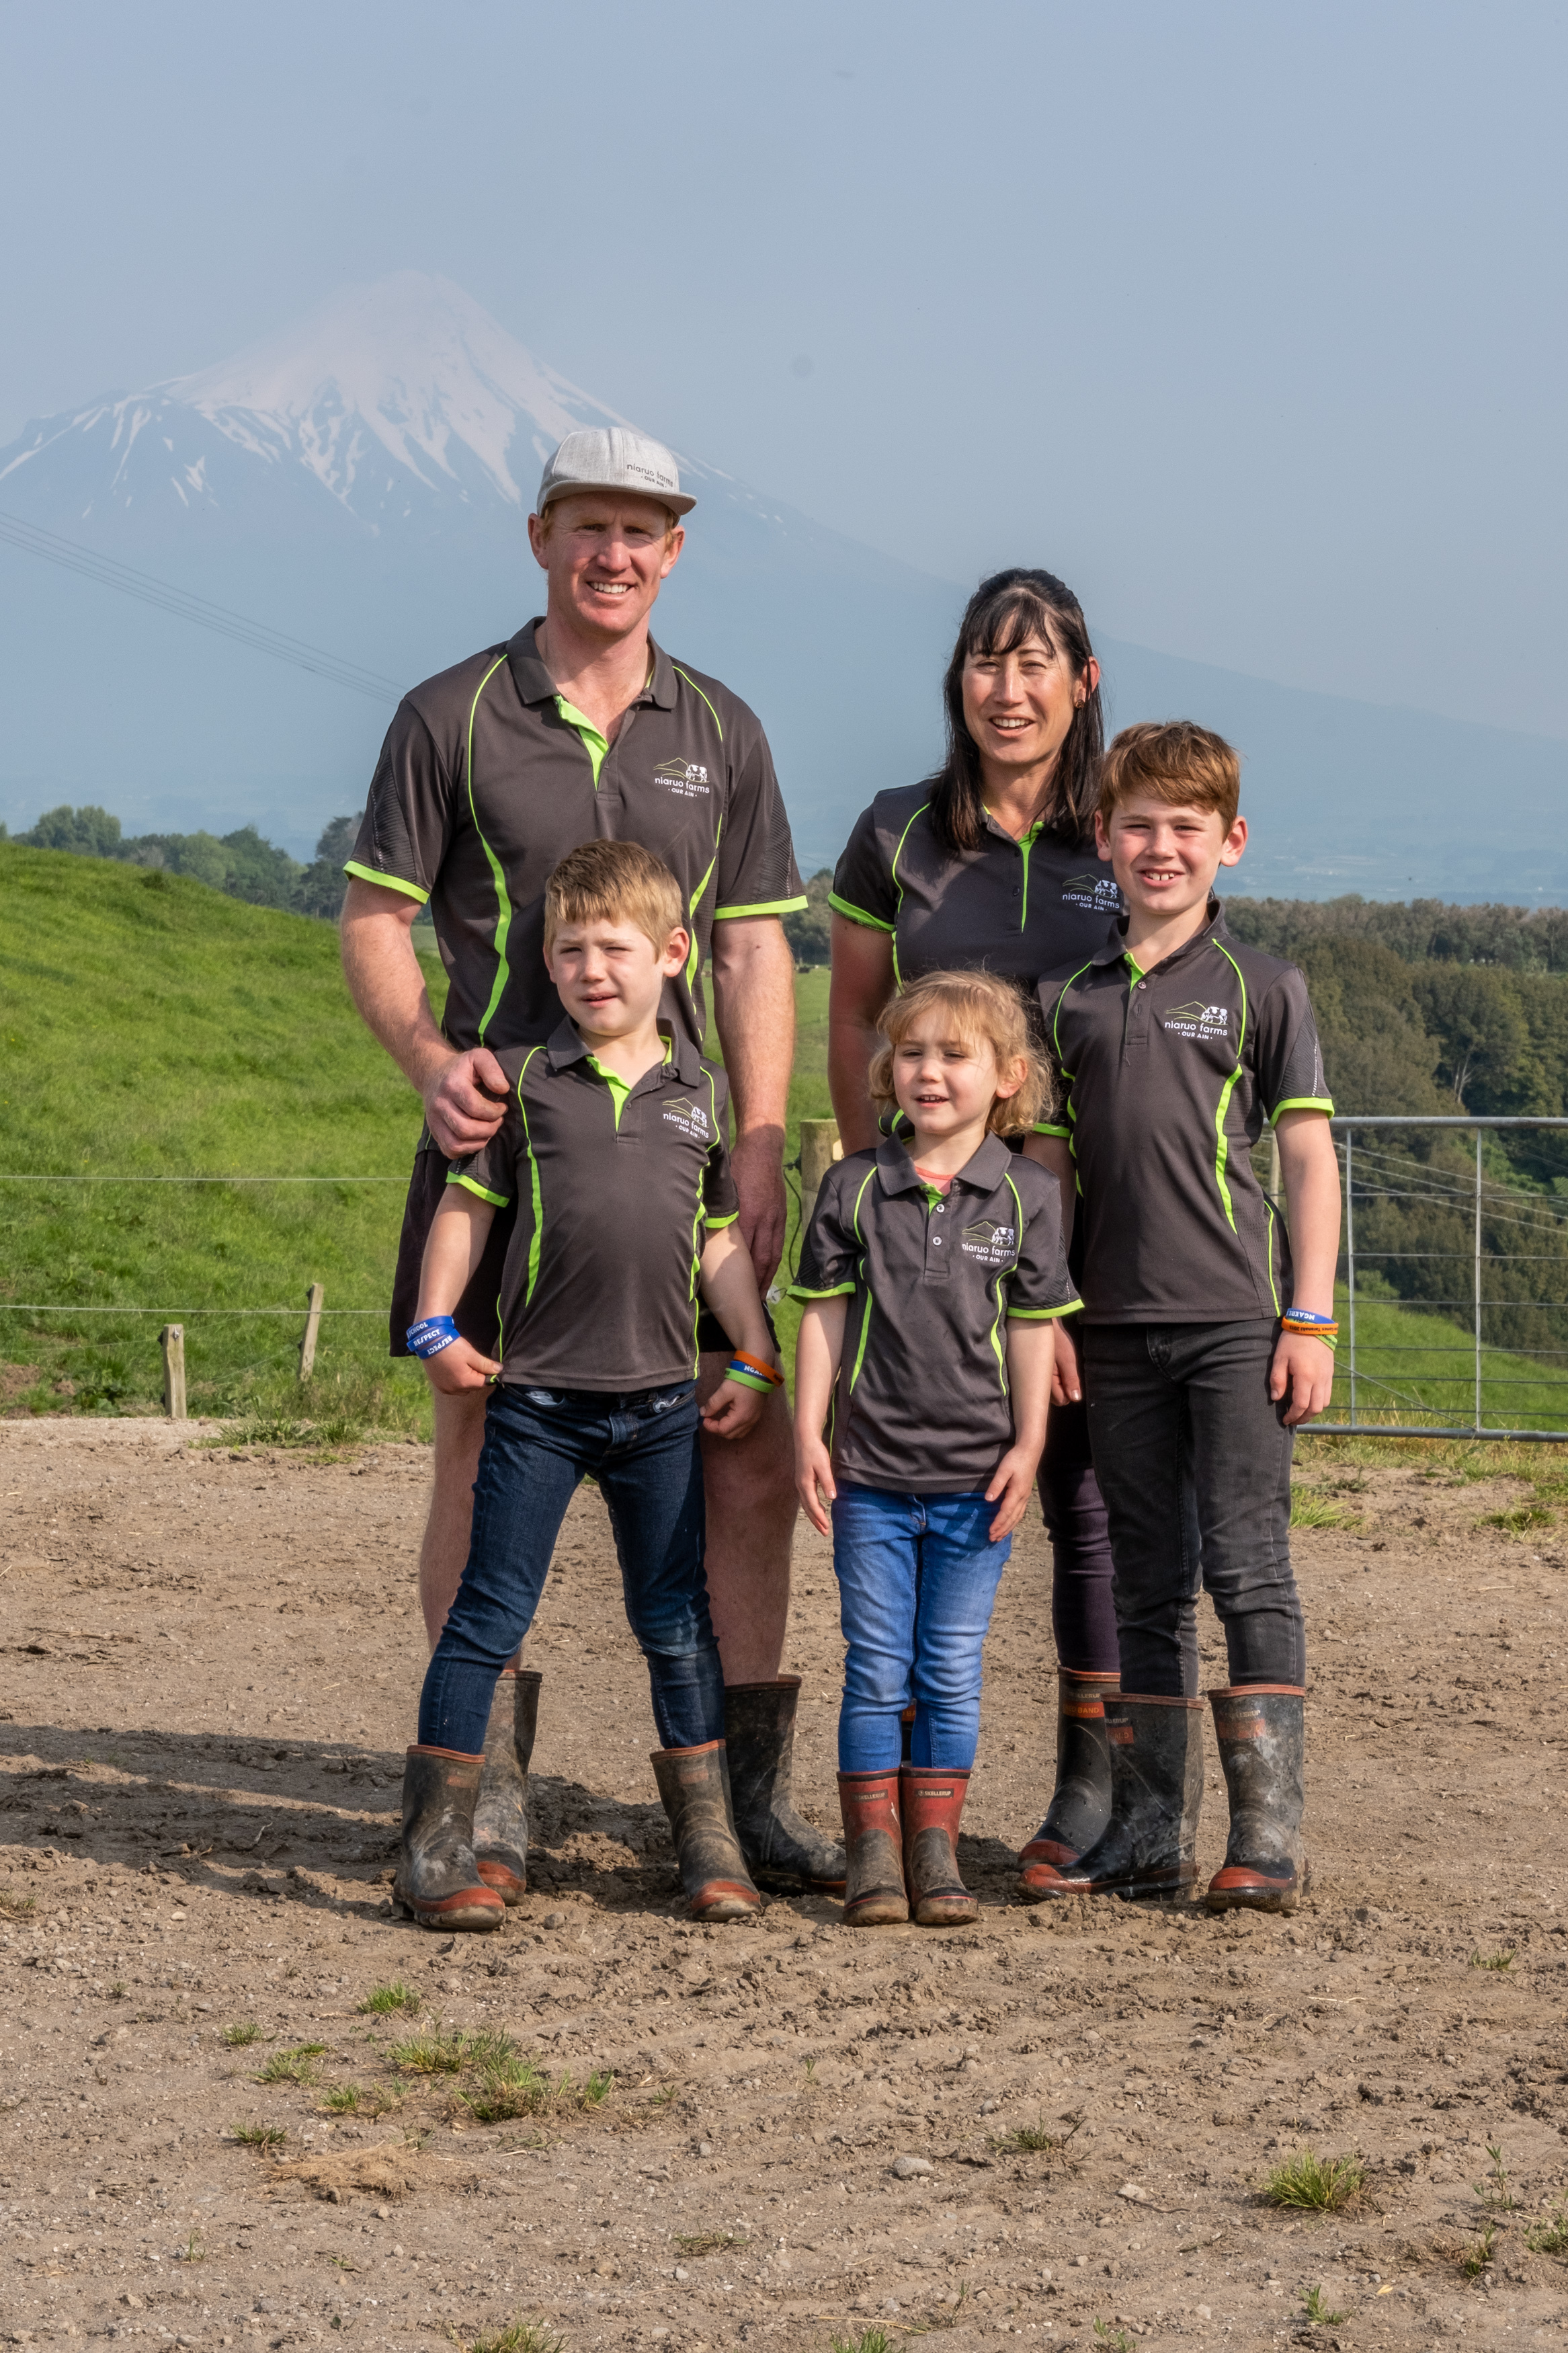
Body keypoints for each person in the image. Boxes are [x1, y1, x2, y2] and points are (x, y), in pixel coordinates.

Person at [341, 426, 843, 1900]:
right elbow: (375, 922)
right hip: (510, 1141)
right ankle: (481, 1796)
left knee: (741, 1457)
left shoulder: (724, 729)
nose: (614, 554)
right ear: (541, 538)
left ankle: (742, 1804)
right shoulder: (450, 713)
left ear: (674, 551)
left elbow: (757, 950)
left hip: (687, 1154)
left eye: (643, 531)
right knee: (478, 1443)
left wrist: (760, 1137)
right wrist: (436, 1066)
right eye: (588, 527)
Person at [396, 841, 782, 1930]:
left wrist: (752, 1353)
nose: (589, 969)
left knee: (674, 1623)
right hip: (538, 1411)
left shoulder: (699, 1091)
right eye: (567, 951)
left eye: (612, 948)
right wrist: (434, 1324)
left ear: (670, 954)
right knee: (485, 1616)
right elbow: (464, 1210)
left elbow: (716, 1241)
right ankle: (435, 1843)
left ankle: (707, 1844)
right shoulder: (520, 1079)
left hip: (662, 1410)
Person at [826, 568, 1123, 1896]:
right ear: (959, 682)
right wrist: (872, 1182)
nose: (1008, 690)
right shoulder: (895, 834)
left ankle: (1096, 1782)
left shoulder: (1124, 837)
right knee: (974, 1471)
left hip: (1112, 1219)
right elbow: (852, 1016)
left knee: (1091, 1500)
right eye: (985, 663)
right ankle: (903, 1821)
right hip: (937, 1223)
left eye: (1035, 663)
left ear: (1083, 682)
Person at [1028, 721, 1339, 1913]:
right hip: (1105, 1335)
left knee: (1249, 1569)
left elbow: (1307, 1159)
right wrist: (1047, 1311)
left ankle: (1263, 1843)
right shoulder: (1063, 997)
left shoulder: (1266, 987)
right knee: (1146, 1581)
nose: (1162, 849)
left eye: (1187, 829)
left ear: (1232, 843)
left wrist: (1304, 1320)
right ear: (1103, 840)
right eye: (1139, 826)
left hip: (1232, 1331)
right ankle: (1151, 1834)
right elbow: (1047, 1173)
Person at [792, 970, 1080, 1927]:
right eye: (912, 1052)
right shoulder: (852, 1186)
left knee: (950, 1667)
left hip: (976, 1483)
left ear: (1007, 1077)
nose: (929, 1072)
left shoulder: (1027, 1194)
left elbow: (1035, 1329)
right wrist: (808, 1434)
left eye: (955, 1056)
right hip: (869, 1477)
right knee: (876, 1664)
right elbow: (825, 1321)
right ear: (887, 1068)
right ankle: (872, 1857)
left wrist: (1030, 1443)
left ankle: (936, 1855)